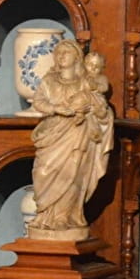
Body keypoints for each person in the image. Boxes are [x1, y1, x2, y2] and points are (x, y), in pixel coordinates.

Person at [28, 39, 113, 241]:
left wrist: (92, 109)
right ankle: (45, 215)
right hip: (52, 133)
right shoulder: (49, 80)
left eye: (66, 52)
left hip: (77, 134)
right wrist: (56, 109)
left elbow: (102, 110)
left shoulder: (86, 82)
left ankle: (64, 217)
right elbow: (39, 101)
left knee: (73, 175)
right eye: (58, 53)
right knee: (43, 171)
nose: (61, 56)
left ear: (77, 57)